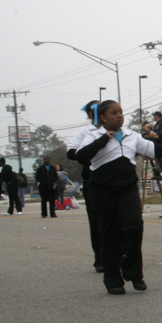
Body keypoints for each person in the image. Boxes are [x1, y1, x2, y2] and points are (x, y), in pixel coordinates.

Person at [76, 100, 162, 294]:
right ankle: (113, 280)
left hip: (127, 188)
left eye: (121, 112)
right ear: (103, 117)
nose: (119, 115)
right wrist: (104, 138)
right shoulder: (93, 135)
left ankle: (134, 272)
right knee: (109, 234)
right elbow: (81, 156)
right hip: (102, 190)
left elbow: (154, 149)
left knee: (134, 226)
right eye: (114, 113)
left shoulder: (132, 136)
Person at [67, 100, 103, 272]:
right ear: (92, 114)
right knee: (96, 221)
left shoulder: (116, 131)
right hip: (93, 179)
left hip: (114, 179)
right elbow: (72, 152)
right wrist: (90, 152)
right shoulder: (85, 132)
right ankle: (100, 259)